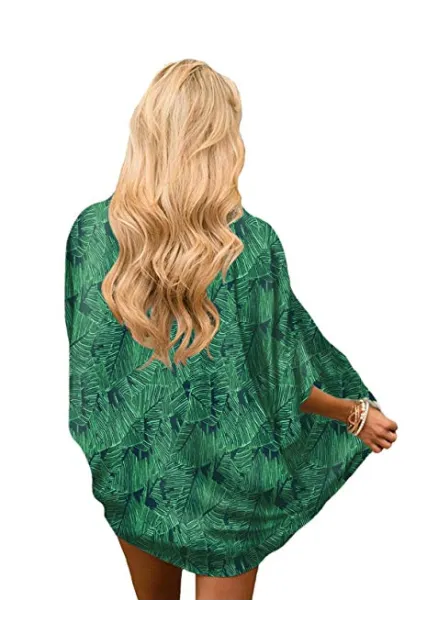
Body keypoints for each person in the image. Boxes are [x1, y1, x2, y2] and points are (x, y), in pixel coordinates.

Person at [64, 59, 398, 600]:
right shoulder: (250, 245)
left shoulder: (90, 233)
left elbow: (88, 369)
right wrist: (354, 413)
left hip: (134, 478)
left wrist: (112, 457)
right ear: (219, 142)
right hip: (229, 489)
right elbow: (282, 386)